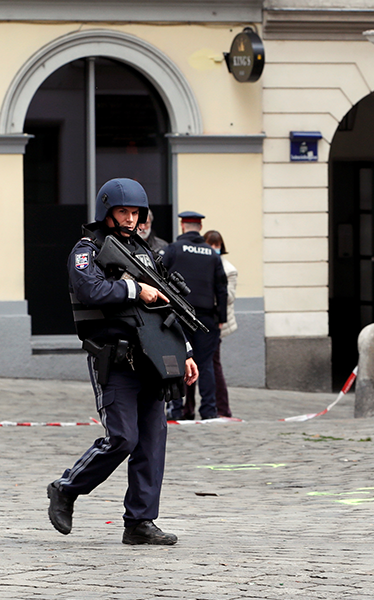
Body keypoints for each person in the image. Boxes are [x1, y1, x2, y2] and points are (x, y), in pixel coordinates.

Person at [47, 178, 198, 545]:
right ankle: (66, 488)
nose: (130, 219)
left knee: (151, 443)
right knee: (123, 439)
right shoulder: (88, 250)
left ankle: (140, 523)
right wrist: (135, 289)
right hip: (114, 361)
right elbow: (89, 289)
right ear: (107, 212)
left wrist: (186, 352)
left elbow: (166, 308)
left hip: (152, 361)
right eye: (123, 212)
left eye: (135, 213)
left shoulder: (145, 252)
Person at [162, 211, 228, 421]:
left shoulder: (173, 249)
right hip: (206, 318)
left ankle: (177, 410)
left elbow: (158, 278)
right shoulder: (211, 253)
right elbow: (222, 287)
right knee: (206, 364)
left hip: (178, 316)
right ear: (200, 227)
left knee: (177, 361)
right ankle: (208, 411)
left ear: (183, 225)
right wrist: (222, 317)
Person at [203, 230, 238, 418]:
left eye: (216, 245)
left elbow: (230, 296)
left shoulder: (228, 269)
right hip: (202, 319)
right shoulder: (200, 264)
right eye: (210, 245)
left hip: (217, 322)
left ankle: (223, 408)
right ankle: (189, 408)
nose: (213, 249)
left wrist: (217, 285)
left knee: (213, 365)